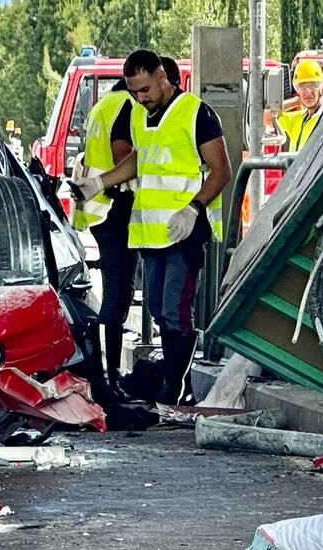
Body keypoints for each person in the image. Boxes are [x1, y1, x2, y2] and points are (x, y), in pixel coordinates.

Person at [71, 49, 230, 405]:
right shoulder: (140, 117)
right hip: (151, 233)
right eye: (134, 91)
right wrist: (99, 184)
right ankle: (172, 381)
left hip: (185, 231)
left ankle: (174, 388)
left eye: (144, 89)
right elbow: (138, 161)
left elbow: (221, 169)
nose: (139, 97)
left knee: (176, 311)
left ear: (162, 77)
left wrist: (194, 208)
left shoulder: (196, 113)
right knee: (158, 309)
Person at [70, 78, 136, 400]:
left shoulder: (101, 106)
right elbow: (123, 155)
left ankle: (106, 376)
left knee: (113, 293)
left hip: (99, 210)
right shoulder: (126, 106)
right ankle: (110, 379)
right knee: (117, 297)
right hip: (115, 206)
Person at [277, 58, 323, 152]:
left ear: (321, 87)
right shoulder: (298, 119)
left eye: (313, 86)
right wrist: (296, 101)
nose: (308, 93)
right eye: (301, 87)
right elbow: (266, 116)